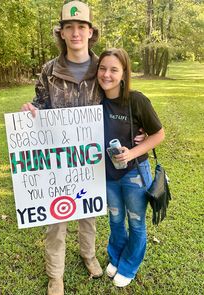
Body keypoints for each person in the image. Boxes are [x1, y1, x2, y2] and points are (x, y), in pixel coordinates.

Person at [21, 2, 145, 294]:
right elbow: (40, 103)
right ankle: (56, 274)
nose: (75, 33)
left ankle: (88, 255)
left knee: (88, 211)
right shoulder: (49, 70)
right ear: (61, 33)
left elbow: (121, 101)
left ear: (90, 32)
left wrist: (137, 130)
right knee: (57, 217)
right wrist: (31, 110)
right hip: (58, 158)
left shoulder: (101, 68)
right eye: (69, 27)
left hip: (91, 158)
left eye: (81, 27)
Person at [97, 48, 165, 287]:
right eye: (102, 68)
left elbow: (158, 134)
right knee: (115, 219)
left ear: (124, 73)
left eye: (114, 69)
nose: (107, 74)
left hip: (135, 172)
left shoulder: (136, 100)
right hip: (107, 173)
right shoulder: (95, 99)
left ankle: (129, 265)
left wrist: (132, 153)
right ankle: (116, 256)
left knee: (135, 221)